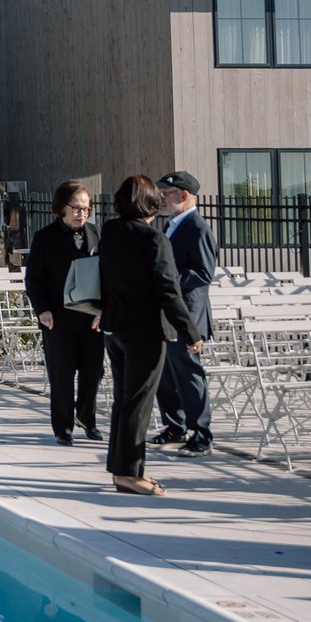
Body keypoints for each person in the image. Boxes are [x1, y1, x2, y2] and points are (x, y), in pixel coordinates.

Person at [97, 175, 194, 498]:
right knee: (138, 403)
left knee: (124, 400)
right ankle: (129, 474)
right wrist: (190, 333)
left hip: (115, 329)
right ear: (150, 203)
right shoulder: (154, 239)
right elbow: (169, 291)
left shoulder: (111, 232)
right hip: (146, 332)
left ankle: (122, 469)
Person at [24, 181, 103, 447]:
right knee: (62, 374)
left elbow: (106, 275)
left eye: (87, 209)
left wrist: (103, 310)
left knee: (93, 372)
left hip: (91, 318)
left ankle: (87, 418)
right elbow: (34, 280)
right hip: (57, 317)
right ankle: (63, 426)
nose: (82, 213)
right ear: (62, 208)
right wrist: (42, 309)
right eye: (77, 208)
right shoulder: (45, 238)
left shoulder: (95, 233)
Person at [155, 170, 219, 456]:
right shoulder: (170, 224)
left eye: (167, 194)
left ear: (183, 195)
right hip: (167, 312)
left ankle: (201, 433)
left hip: (187, 314)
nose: (161, 198)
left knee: (189, 374)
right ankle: (175, 426)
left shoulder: (197, 228)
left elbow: (203, 273)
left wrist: (166, 278)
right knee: (166, 373)